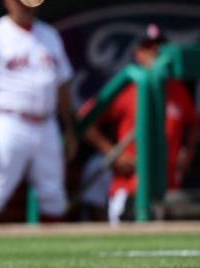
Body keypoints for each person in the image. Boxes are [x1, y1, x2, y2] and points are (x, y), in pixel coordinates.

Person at [0, 0, 76, 224]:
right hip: (9, 123)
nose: (24, 5)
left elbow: (62, 86)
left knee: (54, 196)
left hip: (47, 124)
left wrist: (68, 129)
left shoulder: (49, 35)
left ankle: (55, 258)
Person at [84, 24, 198, 223]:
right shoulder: (128, 85)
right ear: (138, 53)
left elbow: (193, 123)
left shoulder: (178, 90)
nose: (154, 52)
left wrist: (187, 151)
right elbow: (85, 119)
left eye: (159, 47)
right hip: (129, 186)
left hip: (169, 187)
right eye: (148, 47)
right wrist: (112, 152)